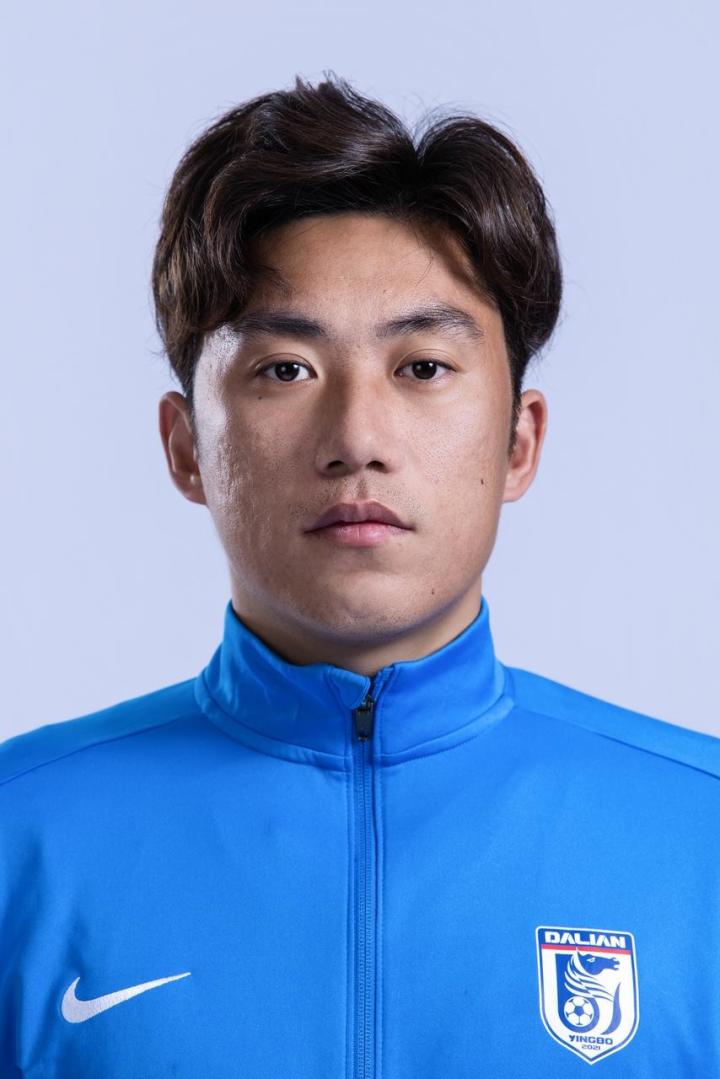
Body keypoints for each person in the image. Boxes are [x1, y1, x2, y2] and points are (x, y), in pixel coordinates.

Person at [1, 72, 718, 1078]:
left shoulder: (699, 843)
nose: (358, 437)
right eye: (284, 369)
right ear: (186, 447)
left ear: (519, 440)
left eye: (422, 366)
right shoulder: (21, 843)